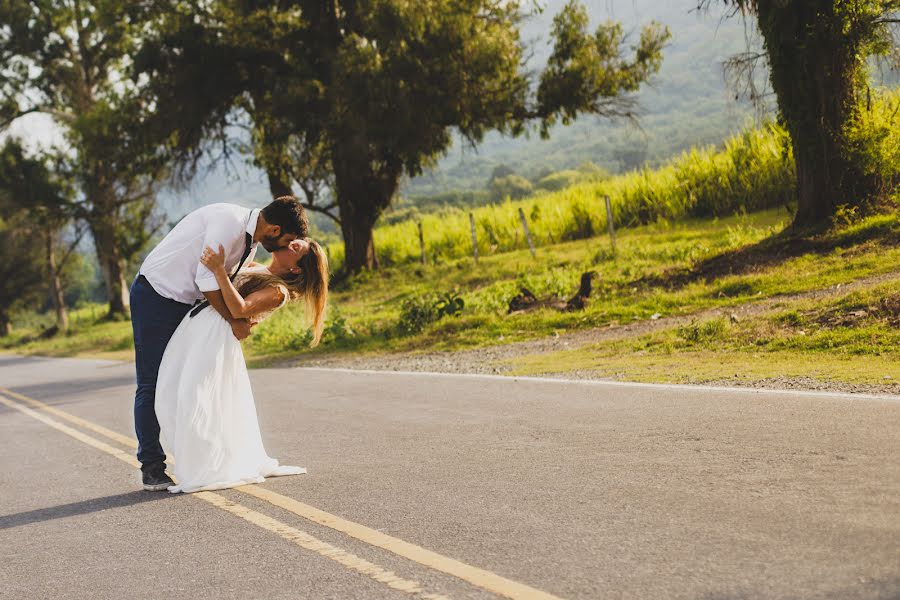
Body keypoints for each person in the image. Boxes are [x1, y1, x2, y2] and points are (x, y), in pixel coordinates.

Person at [130, 196, 308, 491]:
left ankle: (200, 455)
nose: (285, 247)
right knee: (152, 383)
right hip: (157, 295)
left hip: (189, 306)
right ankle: (151, 467)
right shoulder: (229, 224)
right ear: (274, 230)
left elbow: (234, 285)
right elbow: (206, 279)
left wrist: (238, 317)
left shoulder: (251, 242)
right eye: (288, 240)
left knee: (184, 384)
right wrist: (235, 320)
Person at [154, 237, 329, 493]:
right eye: (295, 241)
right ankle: (201, 457)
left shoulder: (278, 291)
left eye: (297, 248)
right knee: (173, 391)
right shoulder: (255, 265)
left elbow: (240, 309)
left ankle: (205, 464)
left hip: (216, 335)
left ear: (296, 269)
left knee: (196, 397)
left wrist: (217, 270)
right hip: (197, 326)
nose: (291, 243)